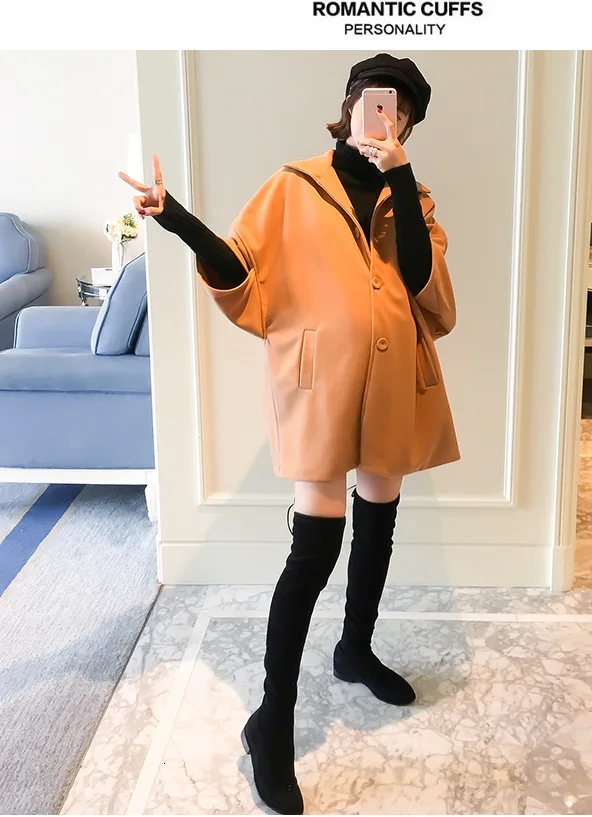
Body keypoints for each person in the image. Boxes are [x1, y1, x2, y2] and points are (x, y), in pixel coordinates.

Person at [119, 53, 460, 815]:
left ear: (409, 123)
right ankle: (270, 722)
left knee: (380, 515)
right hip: (318, 383)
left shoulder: (414, 198)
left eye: (401, 109)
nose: (386, 115)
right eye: (375, 101)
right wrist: (174, 216)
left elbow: (421, 283)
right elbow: (240, 266)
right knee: (315, 546)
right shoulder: (294, 185)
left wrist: (400, 177)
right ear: (349, 104)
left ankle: (354, 648)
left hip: (394, 377)